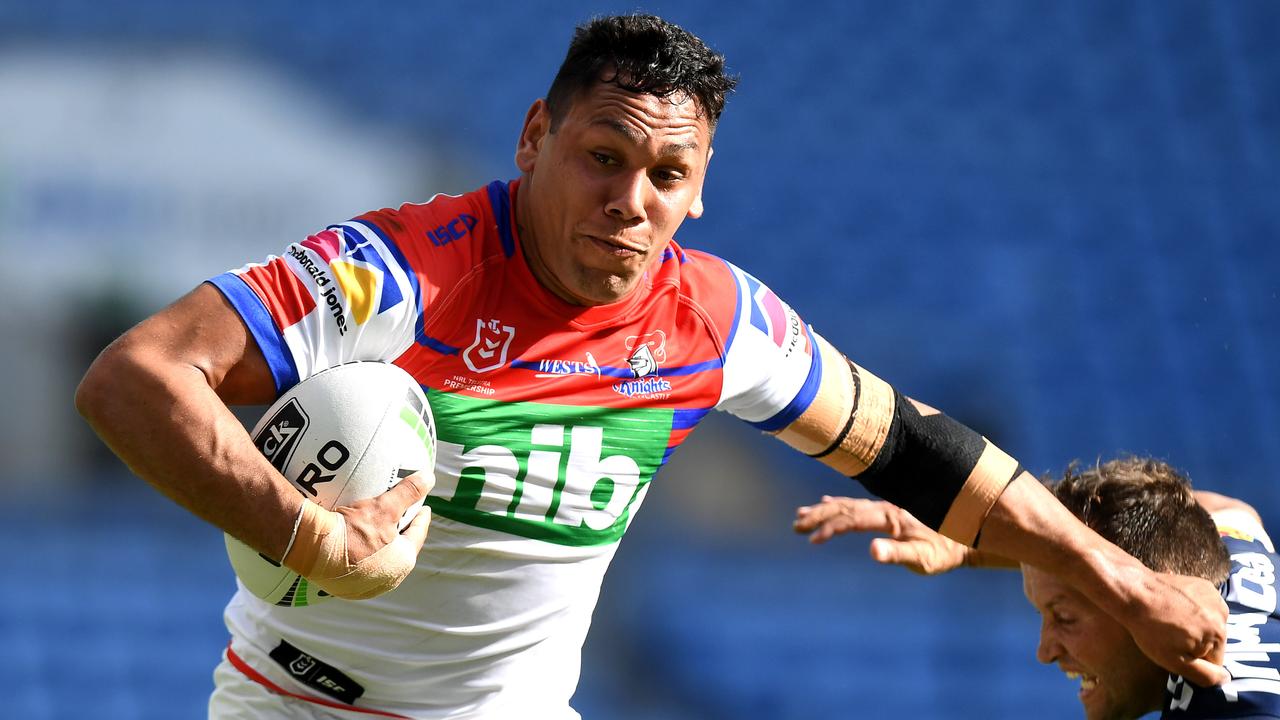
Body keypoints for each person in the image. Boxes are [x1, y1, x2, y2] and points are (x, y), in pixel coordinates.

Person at [75, 13, 1225, 719]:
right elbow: (133, 377)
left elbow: (912, 449)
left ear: (701, 189)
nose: (630, 200)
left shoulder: (713, 320)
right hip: (297, 711)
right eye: (601, 155)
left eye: (667, 174)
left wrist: (1116, 579)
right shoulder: (394, 273)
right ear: (534, 138)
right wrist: (303, 531)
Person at [795, 457, 1280, 719]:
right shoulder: (1231, 562)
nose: (1044, 651)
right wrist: (974, 544)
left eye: (1064, 617)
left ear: (1145, 603)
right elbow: (1216, 509)